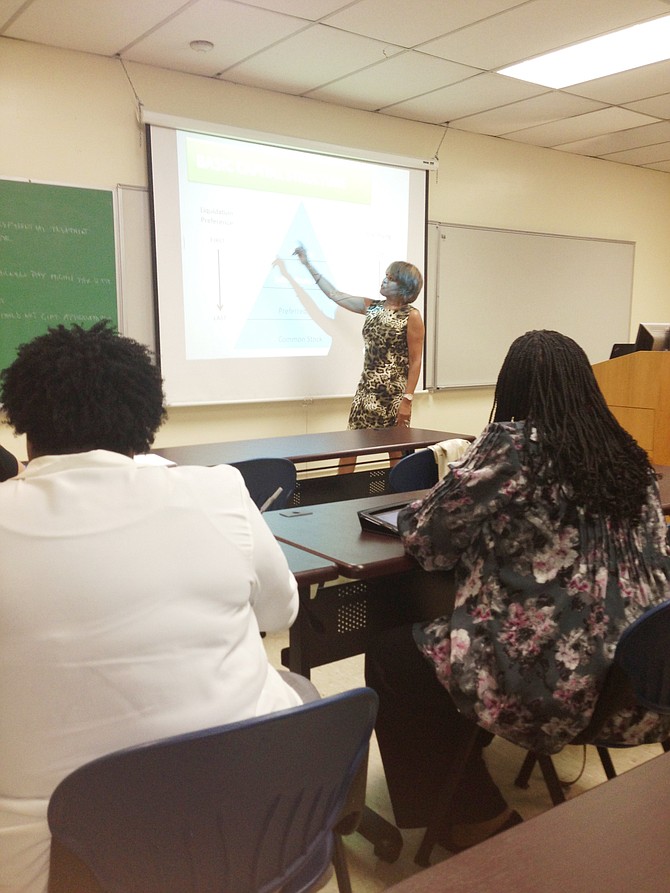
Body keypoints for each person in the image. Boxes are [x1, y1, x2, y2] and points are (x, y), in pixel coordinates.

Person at [0, 320, 308, 893]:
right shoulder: (219, 492)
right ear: (147, 422)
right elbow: (280, 615)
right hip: (254, 837)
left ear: (22, 426)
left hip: (61, 867)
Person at [365, 329, 670, 851]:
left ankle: (475, 816)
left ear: (511, 389)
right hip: (641, 679)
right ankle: (468, 745)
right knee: (444, 632)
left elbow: (428, 541)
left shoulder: (511, 445)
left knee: (395, 654)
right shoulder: (630, 456)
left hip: (564, 685)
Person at [293, 245, 424, 472]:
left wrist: (407, 400)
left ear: (404, 286)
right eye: (385, 276)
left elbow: (415, 361)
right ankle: (341, 494)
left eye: (391, 279)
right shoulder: (372, 308)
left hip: (392, 396)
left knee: (395, 449)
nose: (384, 281)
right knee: (351, 446)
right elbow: (334, 295)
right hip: (365, 391)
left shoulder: (411, 316)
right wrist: (307, 264)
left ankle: (398, 496)